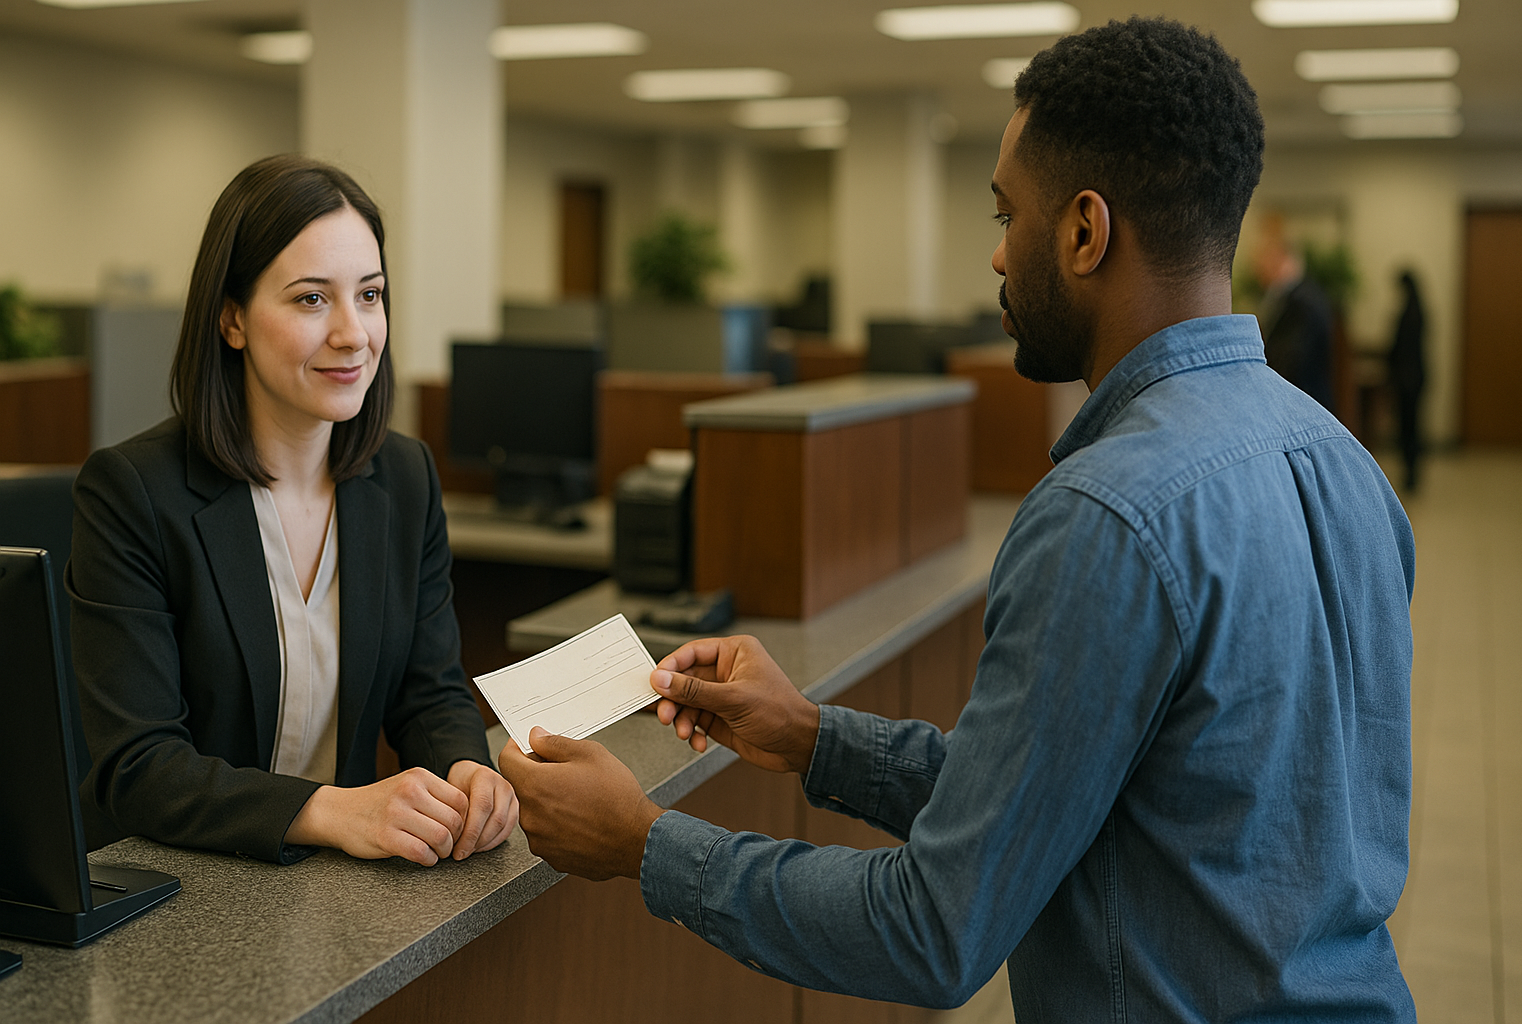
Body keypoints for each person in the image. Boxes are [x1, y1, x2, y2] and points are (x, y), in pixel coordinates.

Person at [501, 17, 1415, 1022]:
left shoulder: (1103, 517)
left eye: (1004, 212)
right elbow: (1070, 804)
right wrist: (812, 737)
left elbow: (935, 928)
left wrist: (643, 844)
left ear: (1083, 231)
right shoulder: (1343, 462)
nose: (995, 252)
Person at [69, 155, 517, 866]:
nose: (353, 333)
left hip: (340, 883)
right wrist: (333, 809)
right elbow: (139, 766)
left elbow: (428, 693)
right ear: (233, 319)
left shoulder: (404, 478)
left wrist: (467, 768)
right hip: (186, 885)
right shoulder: (134, 492)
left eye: (369, 295)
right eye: (312, 299)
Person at [1255, 236, 1337, 412]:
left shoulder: (1302, 301)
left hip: (1304, 402)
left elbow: (1292, 360)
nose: (1261, 271)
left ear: (1280, 261)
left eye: (1266, 263)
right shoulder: (1299, 295)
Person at [1388, 270, 1427, 492]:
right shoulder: (1418, 309)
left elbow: (1401, 349)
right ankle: (1411, 472)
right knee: (1412, 427)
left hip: (1408, 380)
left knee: (1409, 427)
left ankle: (1411, 473)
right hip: (1414, 378)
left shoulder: (1409, 313)